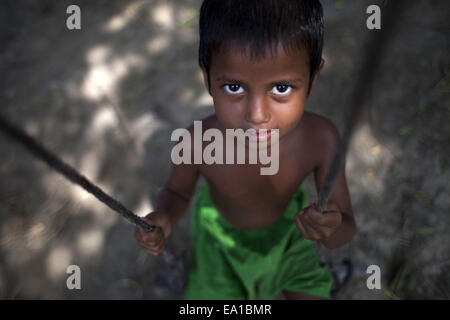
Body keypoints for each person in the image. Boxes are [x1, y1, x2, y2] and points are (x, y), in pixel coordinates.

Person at [135, 0, 356, 300]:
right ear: (207, 77)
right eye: (234, 87)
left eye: (280, 88)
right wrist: (164, 216)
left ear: (313, 78)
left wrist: (331, 227)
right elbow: (177, 193)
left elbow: (344, 231)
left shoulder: (321, 139)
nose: (256, 114)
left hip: (290, 236)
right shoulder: (197, 139)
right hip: (219, 243)